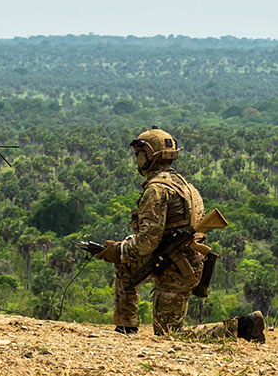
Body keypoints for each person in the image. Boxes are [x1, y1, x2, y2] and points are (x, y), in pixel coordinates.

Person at [95, 126, 265, 343]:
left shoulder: (157, 189)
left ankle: (243, 325)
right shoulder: (184, 184)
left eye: (138, 154)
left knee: (169, 335)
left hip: (176, 268)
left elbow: (147, 242)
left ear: (150, 155)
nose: (136, 159)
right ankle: (126, 328)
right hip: (178, 261)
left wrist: (118, 249)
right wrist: (121, 250)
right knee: (125, 263)